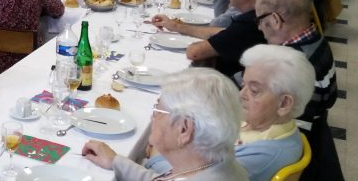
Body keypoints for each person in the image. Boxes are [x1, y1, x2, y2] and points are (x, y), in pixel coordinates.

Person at [144, 44, 315, 181]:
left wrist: (158, 148)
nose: (241, 94)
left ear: (284, 103)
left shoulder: (263, 157)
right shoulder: (267, 126)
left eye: (254, 90)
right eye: (244, 84)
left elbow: (180, 173)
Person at [82, 68, 247, 181]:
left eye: (158, 111)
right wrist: (116, 161)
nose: (152, 117)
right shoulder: (214, 164)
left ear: (184, 129)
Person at [254, 0, 342, 181]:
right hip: (319, 140)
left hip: (288, 153)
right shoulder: (317, 41)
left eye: (260, 20)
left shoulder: (290, 66)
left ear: (275, 20)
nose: (259, 27)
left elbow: (282, 134)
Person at [155, 0, 271, 78]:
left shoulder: (248, 25)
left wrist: (200, 43)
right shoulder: (257, 14)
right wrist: (175, 26)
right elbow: (222, 31)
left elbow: (194, 53)